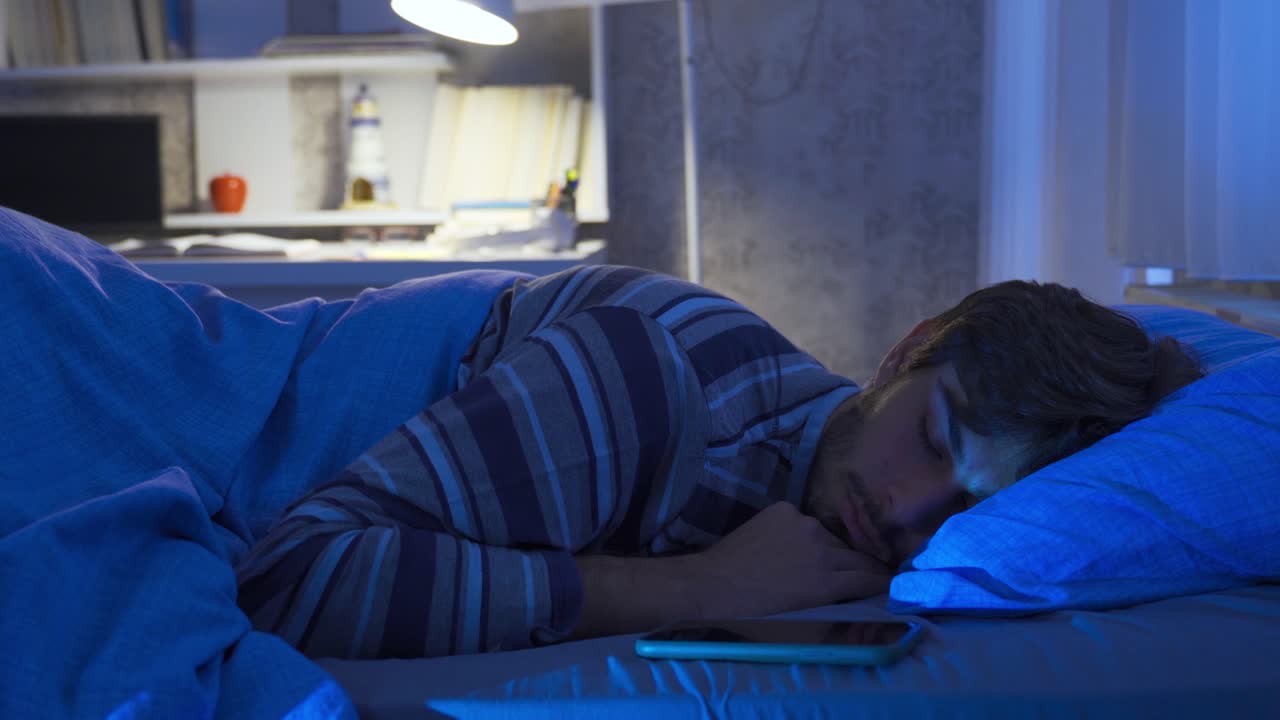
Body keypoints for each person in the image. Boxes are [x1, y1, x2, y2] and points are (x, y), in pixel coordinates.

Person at [235, 264, 1202, 660]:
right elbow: (289, 582)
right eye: (936, 438)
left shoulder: (889, 530)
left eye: (966, 507)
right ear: (906, 352)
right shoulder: (652, 385)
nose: (909, 513)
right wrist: (699, 588)